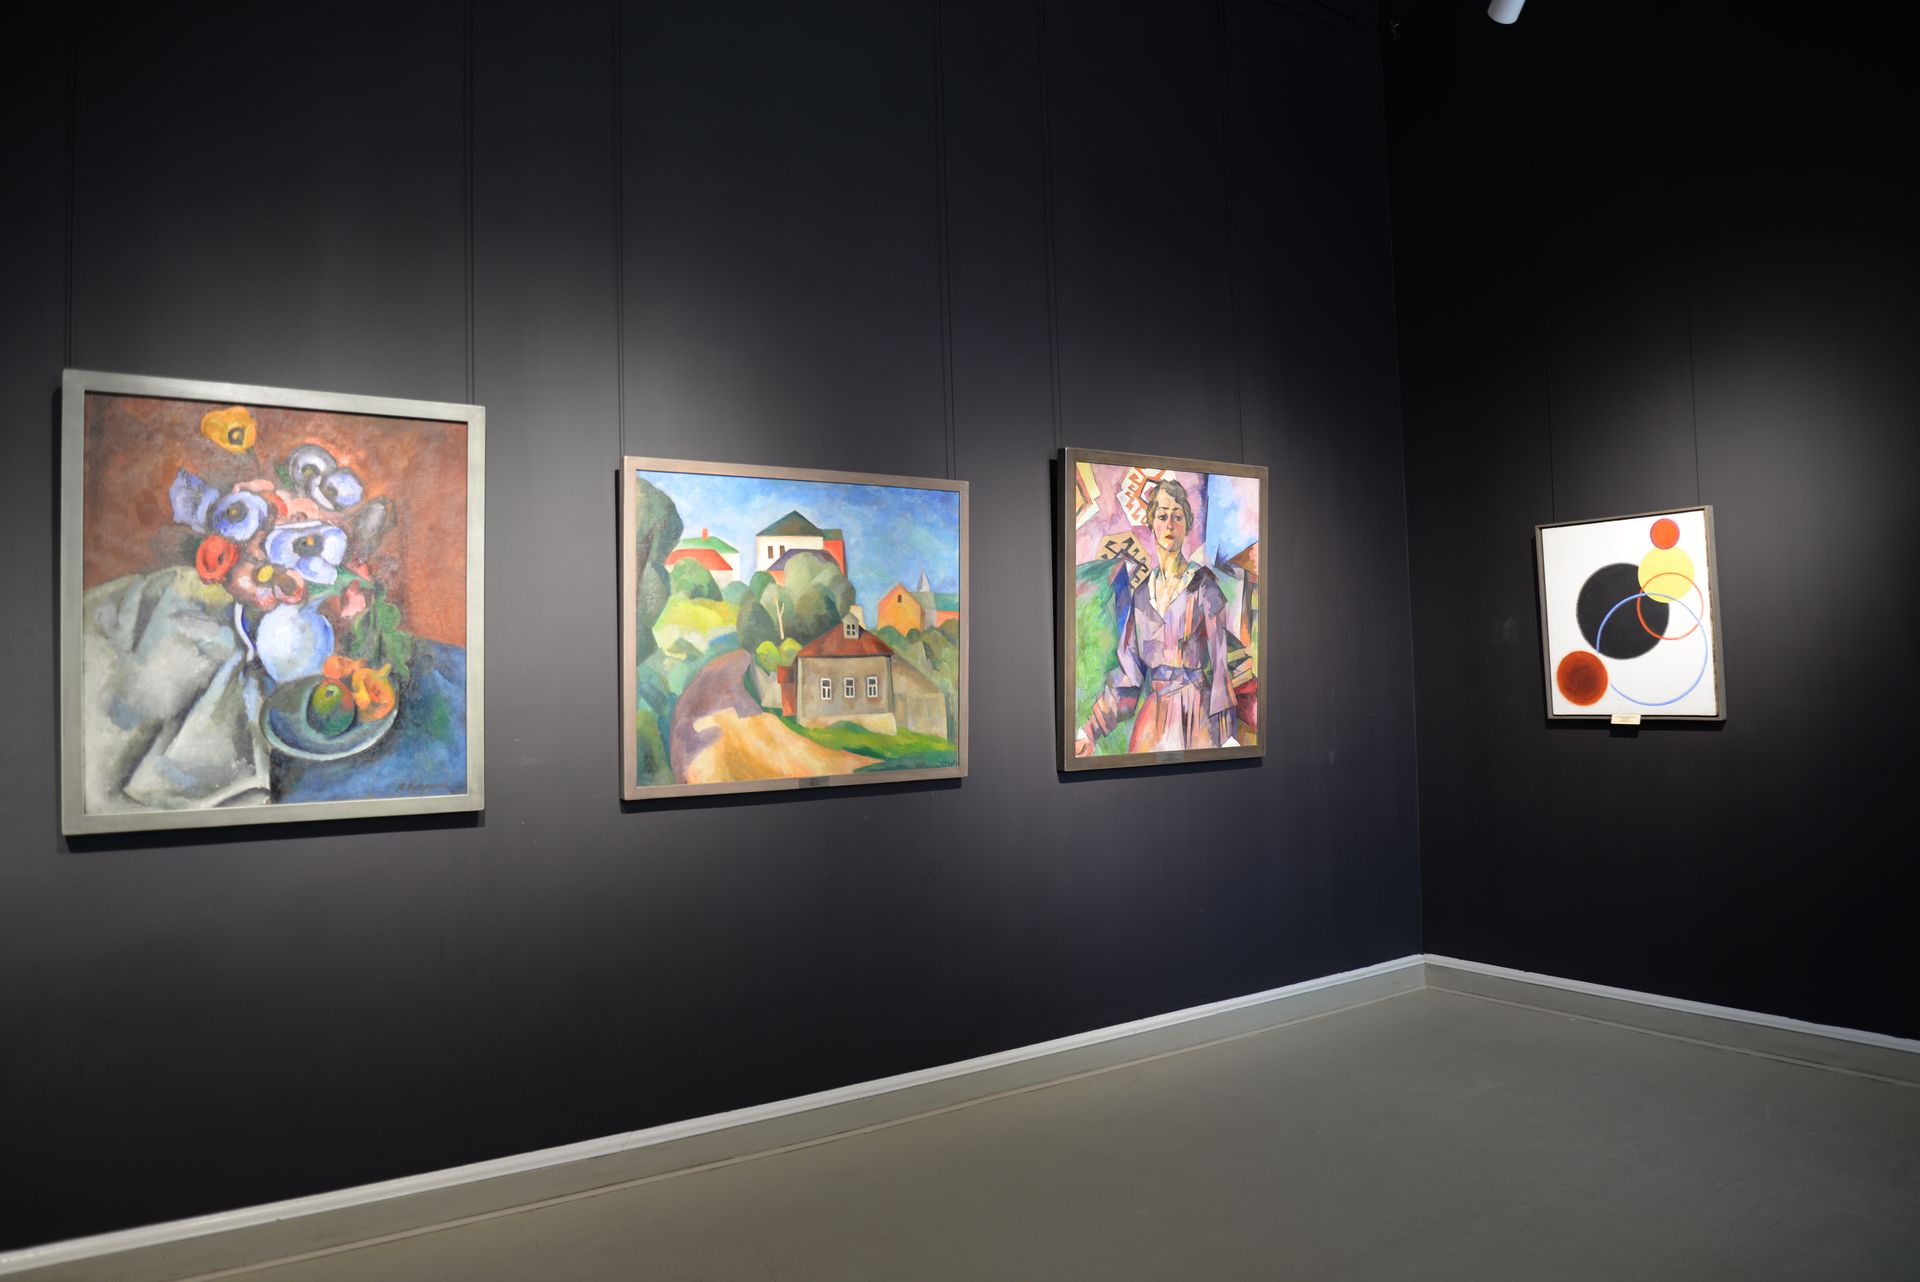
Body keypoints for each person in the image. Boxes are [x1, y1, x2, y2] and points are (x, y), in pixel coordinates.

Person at [1076, 478, 1236, 756]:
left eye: (1177, 516)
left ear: (1187, 524)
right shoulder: (1140, 596)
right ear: (1151, 523)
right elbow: (1128, 678)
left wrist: (1228, 738)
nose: (1170, 524)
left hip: (1197, 719)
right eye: (1162, 516)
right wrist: (1089, 731)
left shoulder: (1204, 586)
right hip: (1152, 724)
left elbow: (1222, 669)